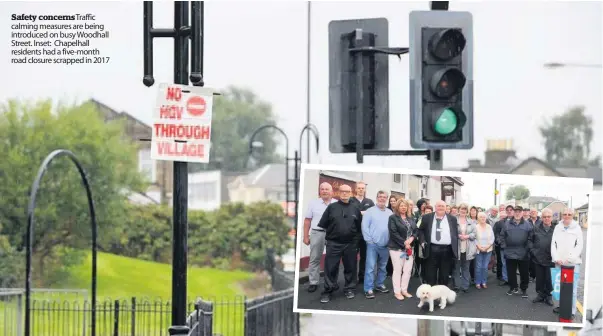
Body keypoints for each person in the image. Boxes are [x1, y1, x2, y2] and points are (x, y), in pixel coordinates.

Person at [317, 184, 362, 303]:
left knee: (350, 268)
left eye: (347, 191)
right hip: (334, 243)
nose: (344, 193)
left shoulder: (355, 209)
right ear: (338, 193)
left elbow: (359, 228)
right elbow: (324, 224)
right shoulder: (332, 207)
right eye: (342, 191)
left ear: (351, 193)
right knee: (330, 268)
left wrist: (356, 242)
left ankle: (349, 289)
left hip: (351, 244)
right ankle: (328, 291)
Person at [303, 182, 336, 293]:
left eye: (327, 189)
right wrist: (305, 236)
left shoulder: (337, 203)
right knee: (314, 259)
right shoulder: (313, 203)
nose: (324, 191)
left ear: (332, 192)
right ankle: (313, 282)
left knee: (333, 259)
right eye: (322, 189)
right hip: (317, 233)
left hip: (333, 234)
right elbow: (307, 220)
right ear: (319, 191)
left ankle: (332, 282)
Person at [551, 208, 584, 318]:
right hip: (559, 262)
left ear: (572, 216)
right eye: (564, 214)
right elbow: (553, 244)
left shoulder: (577, 228)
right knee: (560, 286)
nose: (567, 216)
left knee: (572, 289)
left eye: (569, 214)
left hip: (573, 263)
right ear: (562, 215)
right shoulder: (557, 227)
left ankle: (572, 310)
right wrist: (556, 258)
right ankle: (563, 306)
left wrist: (569, 259)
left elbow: (579, 246)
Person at [418, 200, 459, 286]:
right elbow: (420, 230)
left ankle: (442, 295)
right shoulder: (427, 217)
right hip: (432, 249)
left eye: (442, 206)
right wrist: (422, 241)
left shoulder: (452, 219)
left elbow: (455, 233)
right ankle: (431, 295)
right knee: (430, 274)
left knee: (444, 274)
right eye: (438, 206)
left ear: (445, 208)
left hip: (447, 250)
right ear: (435, 207)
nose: (440, 208)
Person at [361, 191, 393, 299]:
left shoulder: (390, 212)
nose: (382, 199)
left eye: (384, 197)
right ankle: (368, 288)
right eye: (380, 197)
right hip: (372, 244)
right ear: (376, 198)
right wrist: (369, 241)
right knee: (370, 267)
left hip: (385, 244)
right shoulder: (370, 211)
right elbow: (364, 227)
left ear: (387, 199)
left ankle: (379, 284)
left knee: (383, 267)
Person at [498, 205, 533, 298]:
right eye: (516, 211)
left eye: (519, 212)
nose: (517, 213)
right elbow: (501, 236)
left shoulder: (527, 224)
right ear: (513, 212)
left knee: (524, 273)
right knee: (511, 273)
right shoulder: (507, 224)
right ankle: (513, 287)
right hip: (510, 252)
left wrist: (527, 248)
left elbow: (531, 238)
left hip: (523, 252)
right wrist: (504, 246)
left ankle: (524, 289)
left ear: (522, 213)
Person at [388, 199, 418, 301]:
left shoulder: (411, 218)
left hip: (409, 248)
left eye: (405, 206)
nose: (403, 207)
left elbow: (416, 231)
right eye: (401, 206)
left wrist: (411, 239)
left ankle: (404, 290)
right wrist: (404, 243)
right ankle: (397, 292)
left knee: (408, 270)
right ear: (397, 207)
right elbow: (393, 233)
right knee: (397, 270)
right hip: (397, 249)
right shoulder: (393, 218)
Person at [528, 208, 555, 306]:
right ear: (542, 217)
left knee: (549, 279)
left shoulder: (556, 229)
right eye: (544, 217)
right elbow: (530, 240)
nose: (547, 219)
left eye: (549, 217)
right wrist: (533, 251)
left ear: (552, 217)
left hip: (550, 259)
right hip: (538, 258)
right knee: (539, 279)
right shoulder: (536, 228)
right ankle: (540, 295)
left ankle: (548, 296)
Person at [350, 182, 375, 284]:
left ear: (365, 190)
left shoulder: (369, 202)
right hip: (353, 233)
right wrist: (361, 213)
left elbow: (374, 214)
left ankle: (362, 277)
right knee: (352, 257)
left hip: (366, 233)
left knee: (365, 256)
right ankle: (352, 278)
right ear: (355, 189)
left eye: (362, 188)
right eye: (359, 188)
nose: (361, 190)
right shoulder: (350, 200)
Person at [454, 204, 477, 292]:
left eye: (465, 209)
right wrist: (458, 235)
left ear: (467, 211)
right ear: (458, 210)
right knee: (456, 268)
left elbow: (474, 234)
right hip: (457, 248)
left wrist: (467, 236)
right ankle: (456, 286)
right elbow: (451, 232)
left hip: (468, 249)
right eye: (461, 209)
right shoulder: (454, 220)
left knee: (466, 268)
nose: (463, 211)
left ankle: (465, 286)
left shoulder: (471, 222)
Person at [475, 212, 495, 289]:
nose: (483, 218)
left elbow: (492, 238)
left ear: (486, 218)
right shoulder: (476, 227)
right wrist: (479, 247)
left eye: (484, 217)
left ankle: (484, 282)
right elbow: (474, 239)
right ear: (478, 218)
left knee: (485, 266)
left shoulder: (489, 227)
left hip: (488, 249)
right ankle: (477, 282)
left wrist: (487, 247)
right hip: (478, 249)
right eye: (481, 217)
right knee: (478, 267)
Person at [415, 203, 433, 283]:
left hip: (431, 244)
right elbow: (418, 230)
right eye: (426, 211)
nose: (428, 213)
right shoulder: (421, 219)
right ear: (424, 212)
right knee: (423, 261)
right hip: (422, 243)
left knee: (430, 262)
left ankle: (429, 277)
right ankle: (423, 277)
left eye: (430, 211)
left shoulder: (435, 220)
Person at [527, 208, 542, 283]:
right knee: (531, 261)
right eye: (532, 212)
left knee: (538, 261)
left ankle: (538, 276)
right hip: (530, 243)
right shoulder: (527, 222)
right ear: (530, 213)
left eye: (534, 212)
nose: (533, 213)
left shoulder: (541, 221)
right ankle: (532, 276)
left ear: (537, 213)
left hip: (539, 243)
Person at [386, 195, 397, 277]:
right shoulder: (387, 210)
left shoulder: (399, 210)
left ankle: (395, 270)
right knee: (388, 254)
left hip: (396, 234)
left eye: (394, 201)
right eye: (391, 201)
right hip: (388, 233)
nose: (392, 202)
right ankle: (389, 271)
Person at [468, 206, 479, 284]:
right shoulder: (468, 221)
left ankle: (477, 277)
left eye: (474, 211)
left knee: (477, 262)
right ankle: (472, 277)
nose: (473, 212)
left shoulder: (479, 220)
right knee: (471, 262)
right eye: (471, 211)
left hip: (479, 243)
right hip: (470, 243)